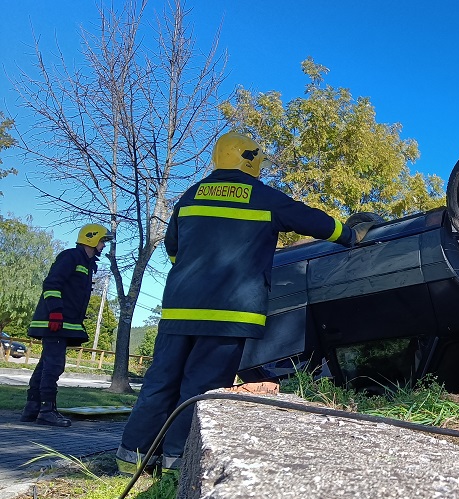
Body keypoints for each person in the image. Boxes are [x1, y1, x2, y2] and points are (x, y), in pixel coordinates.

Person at [116, 131, 362, 475]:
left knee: (161, 381)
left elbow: (173, 249)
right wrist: (350, 234)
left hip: (179, 310)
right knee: (199, 389)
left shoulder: (190, 195)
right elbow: (312, 220)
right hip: (227, 314)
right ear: (250, 160)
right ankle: (177, 464)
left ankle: (132, 459)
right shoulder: (263, 197)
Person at [21, 224, 112, 427]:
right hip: (55, 321)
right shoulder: (70, 257)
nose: (103, 245)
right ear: (91, 238)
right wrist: (55, 312)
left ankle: (32, 408)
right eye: (102, 241)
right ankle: (46, 411)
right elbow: (51, 284)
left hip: (63, 321)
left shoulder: (86, 263)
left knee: (46, 365)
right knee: (54, 366)